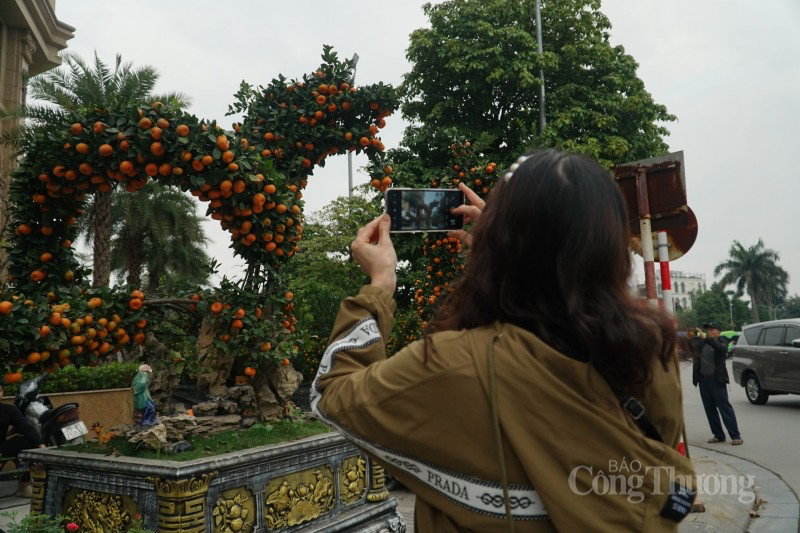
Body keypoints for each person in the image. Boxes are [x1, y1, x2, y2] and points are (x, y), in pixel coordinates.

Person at [311, 149, 696, 532]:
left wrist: (379, 286)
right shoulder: (650, 353)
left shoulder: (455, 363)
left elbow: (332, 396)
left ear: (500, 239)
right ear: (611, 244)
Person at [693, 321, 742, 445]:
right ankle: (718, 435)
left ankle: (735, 436)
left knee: (724, 408)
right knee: (710, 410)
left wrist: (707, 339)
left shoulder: (722, 342)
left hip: (717, 380)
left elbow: (721, 350)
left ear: (718, 332)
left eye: (711, 329)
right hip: (704, 381)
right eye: (708, 330)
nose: (709, 331)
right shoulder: (702, 343)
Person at [0, 385, 46, 497]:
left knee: (28, 442)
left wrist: (41, 445)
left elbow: (26, 428)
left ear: (2, 393)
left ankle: (24, 485)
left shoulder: (9, 410)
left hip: (1, 447)